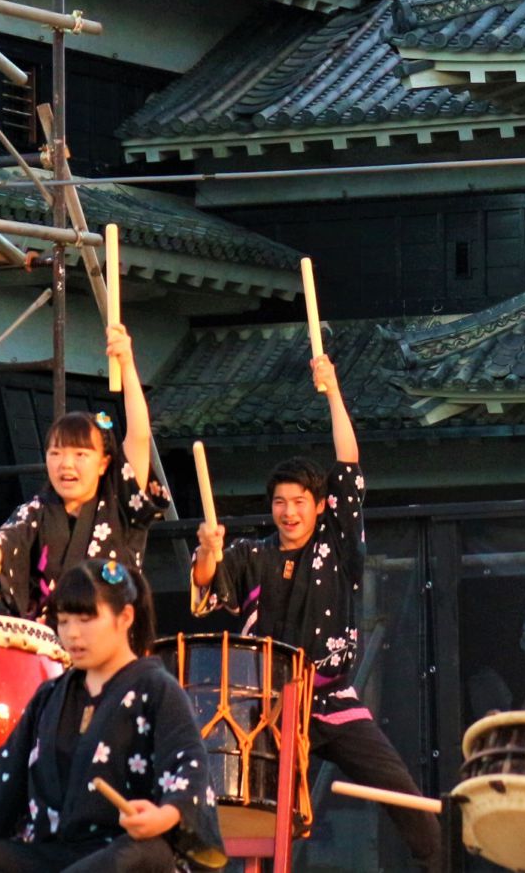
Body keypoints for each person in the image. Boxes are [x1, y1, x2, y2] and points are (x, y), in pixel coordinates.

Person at [190, 354, 439, 871]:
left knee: (400, 790)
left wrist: (331, 390)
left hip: (331, 696)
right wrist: (209, 550)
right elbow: (208, 589)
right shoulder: (251, 555)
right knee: (253, 813)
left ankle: (441, 862)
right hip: (267, 710)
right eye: (280, 502)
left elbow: (348, 462)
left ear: (320, 504)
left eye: (300, 500)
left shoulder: (339, 541)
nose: (289, 512)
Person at [0, 561, 223, 872]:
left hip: (118, 851)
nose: (72, 634)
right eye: (64, 622)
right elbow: (3, 777)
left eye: (85, 619)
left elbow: (189, 765)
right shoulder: (50, 696)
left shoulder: (157, 689)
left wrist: (164, 816)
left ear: (125, 618)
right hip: (50, 854)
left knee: (141, 855)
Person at [0, 325, 167, 619]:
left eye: (80, 454)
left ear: (104, 463)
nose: (66, 464)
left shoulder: (121, 505)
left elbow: (139, 436)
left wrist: (127, 363)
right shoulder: (36, 512)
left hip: (113, 649)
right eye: (56, 453)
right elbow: (6, 540)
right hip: (52, 652)